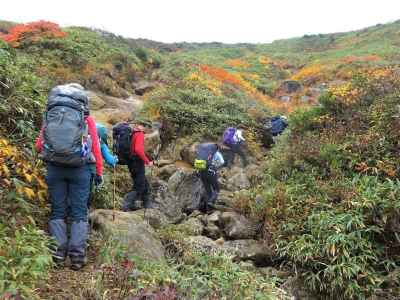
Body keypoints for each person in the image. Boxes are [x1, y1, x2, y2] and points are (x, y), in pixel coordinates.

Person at [35, 83, 103, 271]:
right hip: (80, 170)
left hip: (55, 169)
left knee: (58, 210)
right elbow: (96, 148)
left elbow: (39, 145)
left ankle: (57, 255)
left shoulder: (51, 114)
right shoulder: (86, 118)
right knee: (79, 212)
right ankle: (77, 257)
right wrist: (98, 171)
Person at [121, 120, 153, 211]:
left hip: (131, 162)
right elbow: (138, 149)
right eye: (145, 126)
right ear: (140, 126)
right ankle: (126, 204)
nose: (146, 128)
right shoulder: (139, 134)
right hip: (137, 163)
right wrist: (147, 161)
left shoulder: (132, 134)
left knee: (144, 184)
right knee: (139, 186)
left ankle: (147, 204)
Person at [86, 123, 118, 208]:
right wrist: (115, 159)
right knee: (86, 192)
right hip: (91, 170)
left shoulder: (80, 135)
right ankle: (84, 213)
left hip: (74, 167)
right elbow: (110, 160)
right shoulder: (101, 143)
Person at [194, 143, 224, 211]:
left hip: (201, 172)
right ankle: (211, 202)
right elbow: (222, 162)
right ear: (217, 148)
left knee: (208, 191)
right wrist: (215, 166)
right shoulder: (216, 153)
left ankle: (208, 209)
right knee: (216, 189)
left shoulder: (201, 152)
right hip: (211, 172)